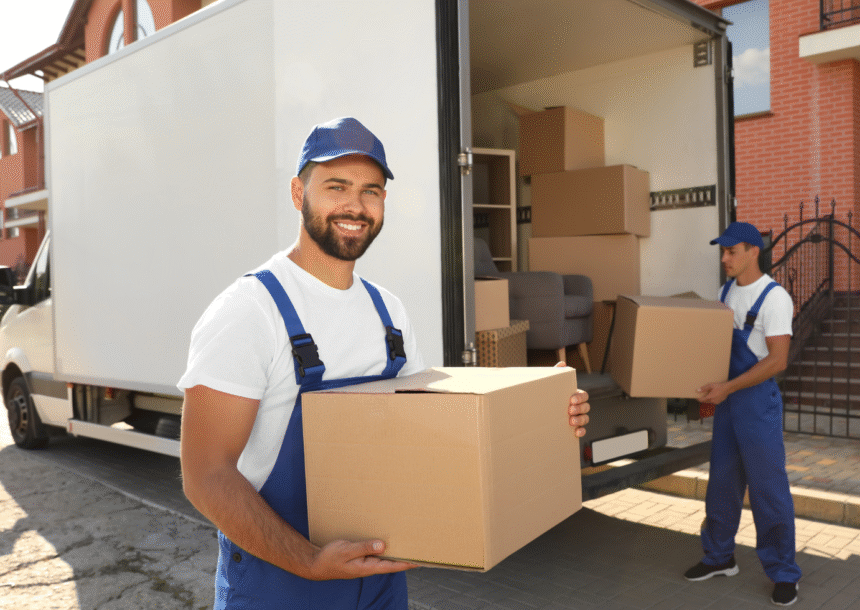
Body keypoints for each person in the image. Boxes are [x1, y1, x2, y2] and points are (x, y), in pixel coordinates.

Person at [178, 117, 591, 609]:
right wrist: (308, 561)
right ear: (297, 193)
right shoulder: (250, 310)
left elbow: (431, 429)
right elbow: (205, 475)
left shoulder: (387, 311)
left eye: (371, 191)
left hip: (381, 583)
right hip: (282, 585)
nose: (355, 205)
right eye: (337, 186)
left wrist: (545, 419)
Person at [684, 221, 802, 606]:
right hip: (728, 403)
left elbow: (778, 361)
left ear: (754, 250)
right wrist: (706, 388)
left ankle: (784, 574)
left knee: (768, 491)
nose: (724, 259)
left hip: (756, 404)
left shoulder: (775, 298)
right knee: (721, 484)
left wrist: (729, 388)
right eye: (723, 251)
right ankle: (719, 557)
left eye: (732, 251)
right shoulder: (726, 292)